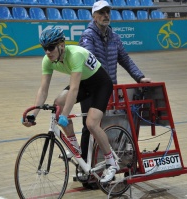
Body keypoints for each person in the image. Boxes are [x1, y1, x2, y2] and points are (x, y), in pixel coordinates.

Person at [22, 27, 119, 183]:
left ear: (61, 45)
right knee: (58, 103)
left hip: (101, 84)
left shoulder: (75, 55)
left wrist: (65, 116)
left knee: (91, 124)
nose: (47, 52)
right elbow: (43, 90)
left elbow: (74, 89)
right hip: (84, 83)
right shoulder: (47, 61)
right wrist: (33, 114)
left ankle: (111, 163)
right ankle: (75, 147)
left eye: (51, 47)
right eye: (44, 48)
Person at [78, 0, 152, 188]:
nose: (106, 15)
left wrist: (139, 77)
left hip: (108, 89)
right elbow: (90, 60)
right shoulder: (88, 36)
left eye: (108, 12)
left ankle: (104, 167)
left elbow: (125, 59)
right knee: (90, 128)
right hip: (90, 89)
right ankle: (86, 171)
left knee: (106, 126)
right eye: (101, 12)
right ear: (93, 16)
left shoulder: (114, 37)